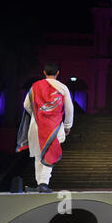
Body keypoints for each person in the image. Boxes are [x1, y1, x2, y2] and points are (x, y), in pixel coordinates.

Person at [16, 63, 74, 193]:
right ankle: (43, 183)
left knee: (38, 155)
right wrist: (67, 126)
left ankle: (40, 183)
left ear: (44, 72)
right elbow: (69, 109)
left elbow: (26, 105)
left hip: (36, 126)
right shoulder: (62, 87)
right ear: (58, 73)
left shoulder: (35, 87)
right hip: (54, 128)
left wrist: (37, 116)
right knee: (50, 154)